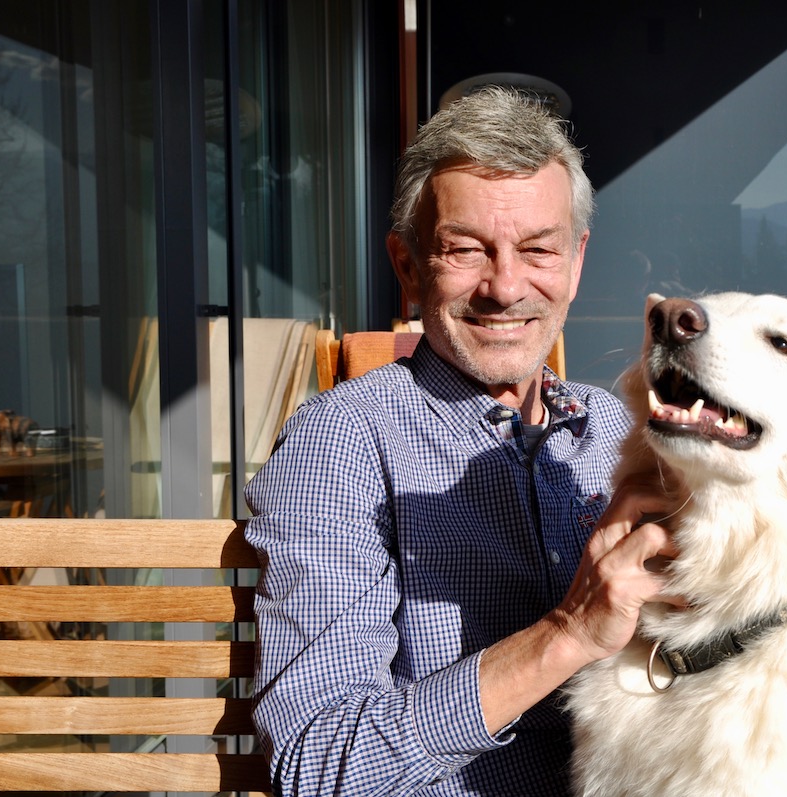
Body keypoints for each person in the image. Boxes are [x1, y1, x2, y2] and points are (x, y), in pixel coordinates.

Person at [245, 86, 679, 795]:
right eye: (466, 250)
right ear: (409, 264)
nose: (505, 287)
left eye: (538, 249)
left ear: (575, 262)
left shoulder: (612, 427)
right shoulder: (345, 442)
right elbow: (315, 765)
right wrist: (568, 632)